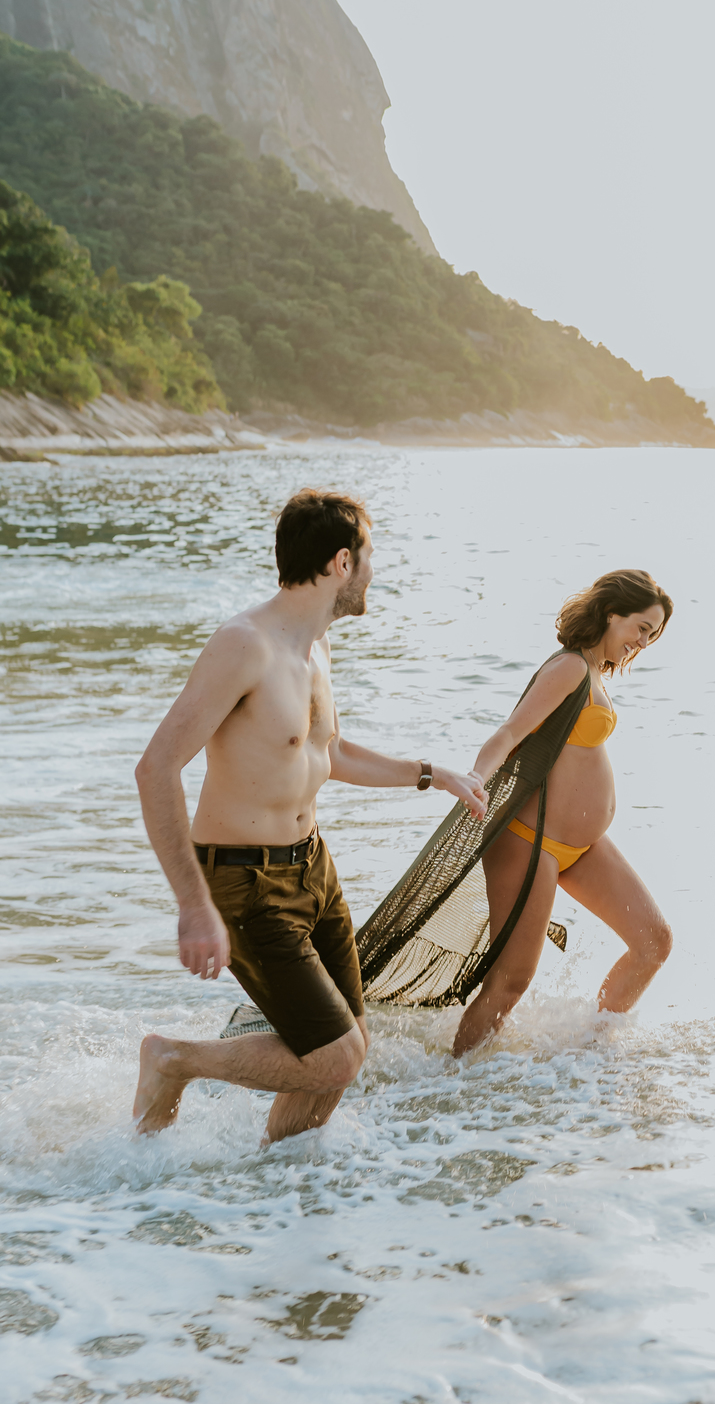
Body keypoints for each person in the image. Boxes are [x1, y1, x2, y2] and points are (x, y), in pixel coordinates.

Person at [131, 488, 488, 1141]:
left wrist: (433, 775)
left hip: (312, 871)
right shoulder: (245, 646)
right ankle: (173, 1060)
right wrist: (192, 903)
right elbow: (155, 768)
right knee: (335, 1055)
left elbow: (332, 751)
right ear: (342, 562)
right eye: (371, 558)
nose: (375, 573)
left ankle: (279, 1194)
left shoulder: (316, 648)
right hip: (243, 882)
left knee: (340, 1060)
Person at [450, 569, 674, 1056]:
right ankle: (450, 1087)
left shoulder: (594, 672)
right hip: (530, 842)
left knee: (653, 942)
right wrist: (474, 777)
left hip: (582, 845)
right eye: (640, 627)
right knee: (511, 982)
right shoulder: (570, 667)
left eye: (652, 635)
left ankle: (591, 1055)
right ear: (611, 615)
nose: (643, 642)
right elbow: (509, 734)